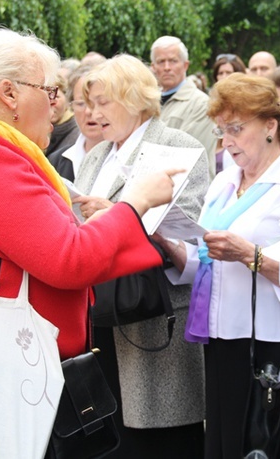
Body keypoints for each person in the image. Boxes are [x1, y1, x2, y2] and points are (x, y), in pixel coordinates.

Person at [0, 27, 178, 366]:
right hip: (1, 370)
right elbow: (70, 259)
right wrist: (136, 202)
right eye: (48, 90)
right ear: (9, 94)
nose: (54, 103)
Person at [159, 73, 280, 459]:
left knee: (278, 442)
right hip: (222, 337)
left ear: (271, 125)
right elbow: (203, 264)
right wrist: (164, 239)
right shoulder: (223, 181)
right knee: (228, 441)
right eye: (222, 130)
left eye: (236, 128)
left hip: (276, 337)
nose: (227, 141)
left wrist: (249, 256)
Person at [73, 54, 208, 458]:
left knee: (164, 438)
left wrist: (120, 216)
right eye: (88, 103)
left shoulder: (178, 147)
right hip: (103, 313)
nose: (93, 113)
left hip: (154, 314)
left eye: (103, 102)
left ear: (134, 98)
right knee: (115, 433)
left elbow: (193, 231)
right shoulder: (97, 155)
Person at [151, 35, 217, 178]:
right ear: (153, 67)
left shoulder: (201, 104)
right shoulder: (147, 104)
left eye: (173, 61)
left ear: (185, 65)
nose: (167, 67)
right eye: (161, 61)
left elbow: (186, 154)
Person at [48, 64, 105, 181]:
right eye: (80, 103)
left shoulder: (129, 160)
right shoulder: (56, 161)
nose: (89, 111)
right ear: (71, 106)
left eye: (98, 103)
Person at [45, 73, 79, 157]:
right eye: (45, 97)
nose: (50, 102)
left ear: (66, 99)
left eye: (56, 97)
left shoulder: (77, 134)